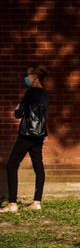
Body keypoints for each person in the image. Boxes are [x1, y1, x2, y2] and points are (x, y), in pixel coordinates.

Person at [1, 64, 49, 213]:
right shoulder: (45, 94)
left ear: (34, 77)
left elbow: (18, 113)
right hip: (39, 135)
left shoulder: (30, 93)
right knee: (38, 165)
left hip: (26, 135)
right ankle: (37, 202)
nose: (26, 78)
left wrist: (18, 108)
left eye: (28, 75)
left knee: (11, 165)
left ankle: (12, 204)